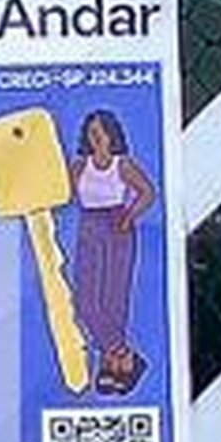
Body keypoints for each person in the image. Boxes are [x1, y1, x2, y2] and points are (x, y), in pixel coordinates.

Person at [70, 111, 157, 391]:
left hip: (116, 225)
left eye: (100, 131)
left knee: (114, 300)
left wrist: (130, 216)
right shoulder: (79, 166)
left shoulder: (123, 165)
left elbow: (148, 193)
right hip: (88, 226)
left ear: (112, 134)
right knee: (85, 302)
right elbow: (64, 193)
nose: (96, 137)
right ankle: (122, 353)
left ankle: (110, 366)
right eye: (91, 132)